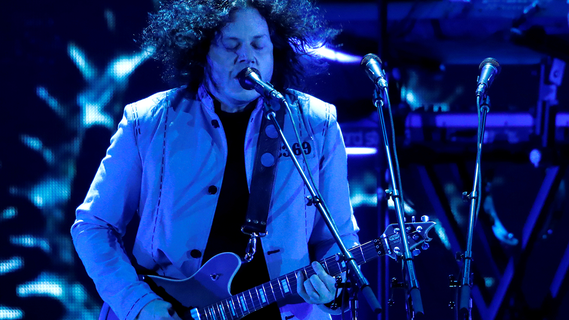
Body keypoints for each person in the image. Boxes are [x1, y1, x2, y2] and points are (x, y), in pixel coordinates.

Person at [71, 0, 360, 319]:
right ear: (202, 52)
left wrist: (332, 291)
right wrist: (139, 304)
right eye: (231, 45)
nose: (247, 56)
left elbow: (338, 241)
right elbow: (93, 225)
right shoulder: (148, 121)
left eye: (259, 45)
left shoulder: (315, 122)